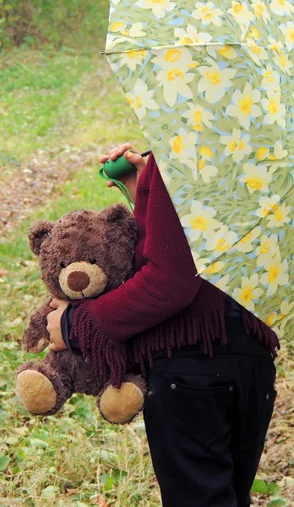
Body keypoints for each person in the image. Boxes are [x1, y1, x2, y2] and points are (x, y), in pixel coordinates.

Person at [47, 142, 280, 507]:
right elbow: (196, 243)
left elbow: (170, 281)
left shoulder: (185, 142)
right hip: (251, 359)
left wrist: (78, 324)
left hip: (192, 368)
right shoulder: (257, 149)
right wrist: (145, 187)